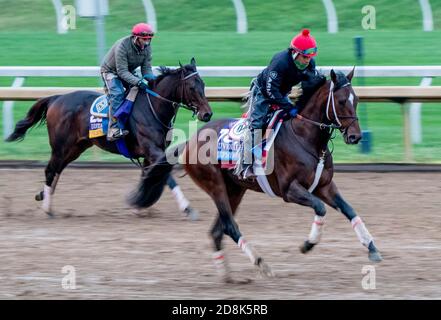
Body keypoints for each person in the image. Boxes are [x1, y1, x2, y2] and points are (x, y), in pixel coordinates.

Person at [236, 28, 326, 179]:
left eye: (310, 57)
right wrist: (288, 106)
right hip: (263, 92)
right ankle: (245, 166)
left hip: (282, 92)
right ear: (295, 53)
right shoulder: (280, 61)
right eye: (305, 57)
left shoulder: (310, 63)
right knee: (257, 123)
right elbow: (271, 91)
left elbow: (311, 82)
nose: (308, 60)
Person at [100, 23, 157, 141]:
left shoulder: (147, 48)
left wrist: (154, 82)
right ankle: (113, 129)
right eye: (144, 39)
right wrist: (138, 81)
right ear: (136, 38)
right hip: (110, 71)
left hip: (127, 71)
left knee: (139, 91)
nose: (147, 42)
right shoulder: (123, 46)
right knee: (118, 94)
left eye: (149, 39)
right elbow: (122, 72)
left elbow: (146, 69)